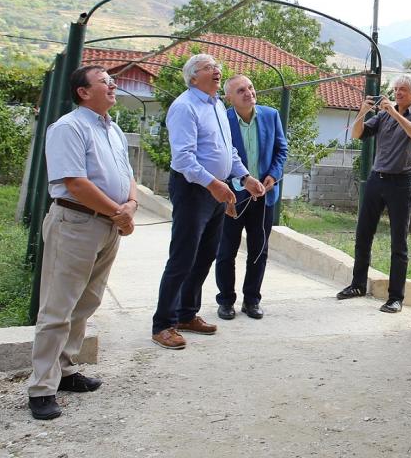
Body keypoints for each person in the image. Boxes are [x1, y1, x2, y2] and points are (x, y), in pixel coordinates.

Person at [27, 65, 138, 420]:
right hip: (76, 223)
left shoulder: (114, 130)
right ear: (83, 92)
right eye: (105, 82)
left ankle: (66, 370)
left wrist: (130, 206)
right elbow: (74, 182)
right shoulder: (68, 128)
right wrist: (118, 213)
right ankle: (41, 387)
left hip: (108, 225)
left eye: (112, 82)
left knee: (87, 302)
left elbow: (129, 175)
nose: (113, 86)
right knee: (58, 307)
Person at [151, 54, 265, 350]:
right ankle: (163, 324)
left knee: (205, 255)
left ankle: (187, 314)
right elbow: (184, 159)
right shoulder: (184, 107)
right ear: (192, 77)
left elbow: (227, 151)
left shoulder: (216, 105)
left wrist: (244, 177)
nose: (217, 71)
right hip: (194, 189)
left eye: (217, 67)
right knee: (182, 257)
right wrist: (215, 184)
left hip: (217, 188)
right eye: (208, 68)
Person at [336, 73, 411, 313]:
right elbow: (357, 134)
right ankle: (357, 285)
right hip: (376, 179)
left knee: (399, 242)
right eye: (396, 88)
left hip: (401, 182)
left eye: (403, 90)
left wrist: (395, 113)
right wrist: (362, 111)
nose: (398, 93)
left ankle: (396, 297)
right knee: (363, 234)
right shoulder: (382, 116)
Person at [215, 75, 288, 321]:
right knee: (226, 251)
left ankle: (252, 300)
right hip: (232, 198)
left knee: (259, 251)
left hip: (264, 197)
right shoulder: (222, 120)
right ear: (229, 97)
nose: (248, 93)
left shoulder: (271, 115)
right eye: (240, 90)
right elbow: (217, 159)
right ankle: (225, 301)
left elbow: (281, 149)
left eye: (250, 87)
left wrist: (274, 176)